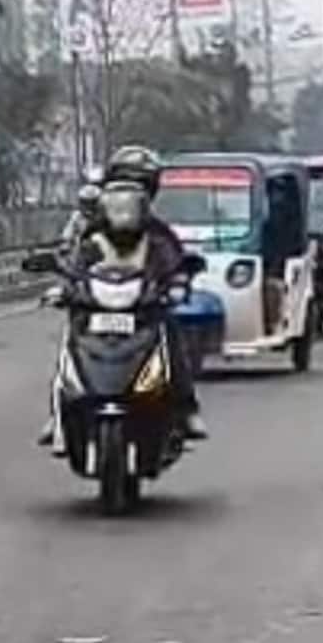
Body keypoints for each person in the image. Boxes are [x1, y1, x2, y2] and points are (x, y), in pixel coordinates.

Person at [41, 146, 207, 449]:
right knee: (71, 337)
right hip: (96, 308)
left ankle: (185, 407)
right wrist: (65, 287)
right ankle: (59, 413)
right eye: (122, 187)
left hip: (143, 310)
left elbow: (176, 263)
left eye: (138, 187)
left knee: (170, 333)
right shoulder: (92, 235)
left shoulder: (158, 234)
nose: (128, 198)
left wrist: (178, 282)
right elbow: (74, 265)